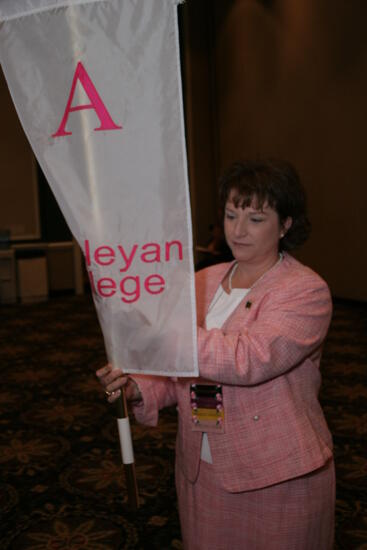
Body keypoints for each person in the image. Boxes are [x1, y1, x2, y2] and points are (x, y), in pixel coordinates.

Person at [96, 159, 335, 550]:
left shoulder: (304, 290)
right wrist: (139, 388)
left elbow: (249, 358)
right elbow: (181, 372)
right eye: (230, 214)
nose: (237, 230)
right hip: (202, 466)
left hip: (276, 470)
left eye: (255, 219)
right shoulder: (202, 281)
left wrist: (161, 333)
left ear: (286, 224)